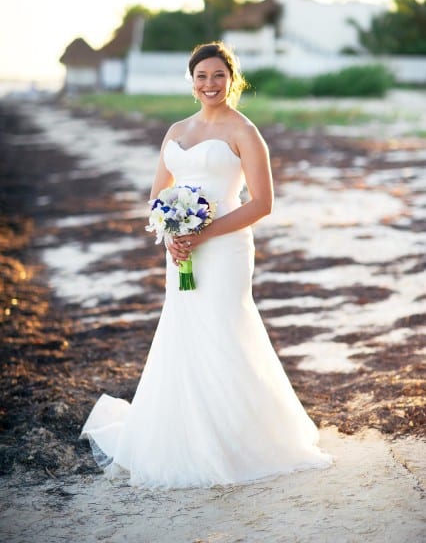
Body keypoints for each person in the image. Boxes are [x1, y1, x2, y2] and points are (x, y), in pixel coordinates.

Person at [81, 41, 332, 488]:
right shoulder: (177, 129)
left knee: (223, 329)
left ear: (232, 80)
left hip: (227, 247)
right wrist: (170, 237)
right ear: (192, 82)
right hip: (180, 248)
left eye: (219, 76)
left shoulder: (245, 132)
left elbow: (263, 203)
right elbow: (158, 194)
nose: (210, 84)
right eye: (202, 77)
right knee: (183, 330)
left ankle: (239, 441)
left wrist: (203, 233)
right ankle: (186, 436)